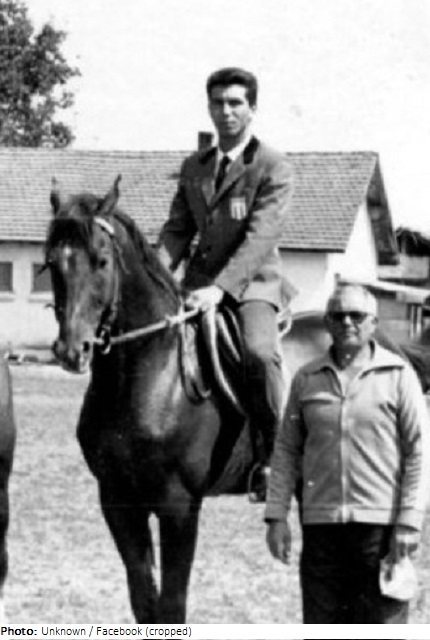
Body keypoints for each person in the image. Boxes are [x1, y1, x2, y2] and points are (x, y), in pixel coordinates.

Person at [157, 67, 295, 501]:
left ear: (252, 109)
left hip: (253, 286)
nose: (226, 111)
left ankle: (272, 457)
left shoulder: (272, 165)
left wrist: (221, 289)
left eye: (235, 102)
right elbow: (177, 231)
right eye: (218, 102)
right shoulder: (194, 166)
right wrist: (156, 277)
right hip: (197, 285)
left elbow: (261, 238)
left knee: (258, 353)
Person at [265, 282, 430, 623]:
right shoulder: (306, 378)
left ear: (373, 323)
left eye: (357, 315)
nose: (347, 323)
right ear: (327, 322)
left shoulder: (399, 376)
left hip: (381, 531)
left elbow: (420, 450)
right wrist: (276, 515)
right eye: (338, 316)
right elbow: (286, 450)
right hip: (321, 531)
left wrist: (410, 521)